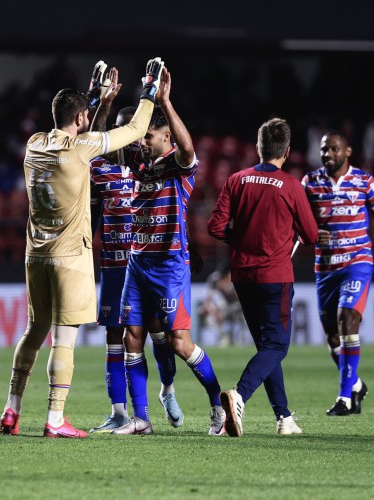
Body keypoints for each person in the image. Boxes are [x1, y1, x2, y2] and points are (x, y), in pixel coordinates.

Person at [0, 58, 164, 439]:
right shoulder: (82, 148)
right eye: (86, 116)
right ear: (81, 120)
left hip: (35, 254)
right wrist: (150, 88)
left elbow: (69, 121)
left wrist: (92, 97)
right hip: (69, 257)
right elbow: (137, 127)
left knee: (32, 332)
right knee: (65, 337)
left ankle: (12, 408)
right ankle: (55, 418)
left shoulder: (34, 143)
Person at [116, 67, 224, 436]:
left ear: (166, 136)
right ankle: (142, 418)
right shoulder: (137, 161)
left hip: (168, 266)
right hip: (137, 261)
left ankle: (217, 404)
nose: (142, 141)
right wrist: (112, 100)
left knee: (179, 343)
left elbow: (190, 149)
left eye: (149, 135)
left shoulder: (179, 168)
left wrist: (163, 100)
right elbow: (105, 139)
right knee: (131, 337)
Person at [208, 118, 319, 437]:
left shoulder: (236, 180)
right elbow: (311, 234)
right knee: (277, 346)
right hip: (274, 276)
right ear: (287, 150)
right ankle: (239, 395)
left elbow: (215, 227)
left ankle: (284, 418)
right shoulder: (292, 185)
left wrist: (243, 239)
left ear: (259, 148)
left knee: (266, 346)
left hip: (242, 275)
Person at [87, 98, 183, 432]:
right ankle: (119, 412)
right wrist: (103, 104)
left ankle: (168, 388)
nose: (135, 139)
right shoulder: (101, 169)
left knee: (161, 335)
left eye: (140, 132)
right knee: (117, 337)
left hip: (151, 265)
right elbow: (88, 145)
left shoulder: (158, 167)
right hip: (116, 268)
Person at [302, 131, 374, 416]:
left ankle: (344, 397)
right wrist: (311, 235)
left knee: (348, 319)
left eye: (333, 149)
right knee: (333, 337)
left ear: (348, 151)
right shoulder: (310, 182)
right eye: (324, 150)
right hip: (325, 268)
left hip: (357, 262)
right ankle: (356, 384)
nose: (328, 154)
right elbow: (298, 224)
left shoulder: (365, 182)